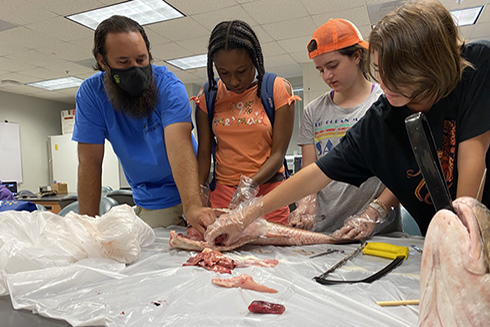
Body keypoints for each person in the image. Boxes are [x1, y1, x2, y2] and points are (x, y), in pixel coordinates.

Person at [204, 0, 490, 245]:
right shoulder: (382, 119)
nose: (386, 84)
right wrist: (248, 213)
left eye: (400, 75)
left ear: (431, 64)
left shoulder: (475, 67)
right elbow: (318, 172)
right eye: (379, 71)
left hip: (472, 233)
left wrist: (459, 242)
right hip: (442, 238)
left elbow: (472, 163)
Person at [72, 15, 215, 234]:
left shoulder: (169, 86)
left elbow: (179, 145)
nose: (135, 69)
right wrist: (87, 227)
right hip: (152, 198)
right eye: (124, 62)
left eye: (141, 59)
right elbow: (89, 161)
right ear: (102, 61)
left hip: (193, 185)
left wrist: (193, 206)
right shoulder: (91, 95)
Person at [290, 18, 401, 234]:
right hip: (324, 230)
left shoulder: (386, 101)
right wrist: (306, 204)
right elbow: (310, 170)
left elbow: (403, 172)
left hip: (377, 232)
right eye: (320, 70)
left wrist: (374, 212)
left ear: (357, 56)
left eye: (332, 66)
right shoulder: (313, 111)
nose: (326, 76)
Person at [191, 20, 300, 225]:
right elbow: (204, 154)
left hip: (269, 194)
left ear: (255, 61)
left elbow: (277, 154)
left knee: (274, 256)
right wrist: (197, 196)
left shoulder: (276, 89)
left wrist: (250, 185)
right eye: (224, 73)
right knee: (220, 254)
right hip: (224, 196)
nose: (233, 81)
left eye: (241, 71)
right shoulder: (208, 95)